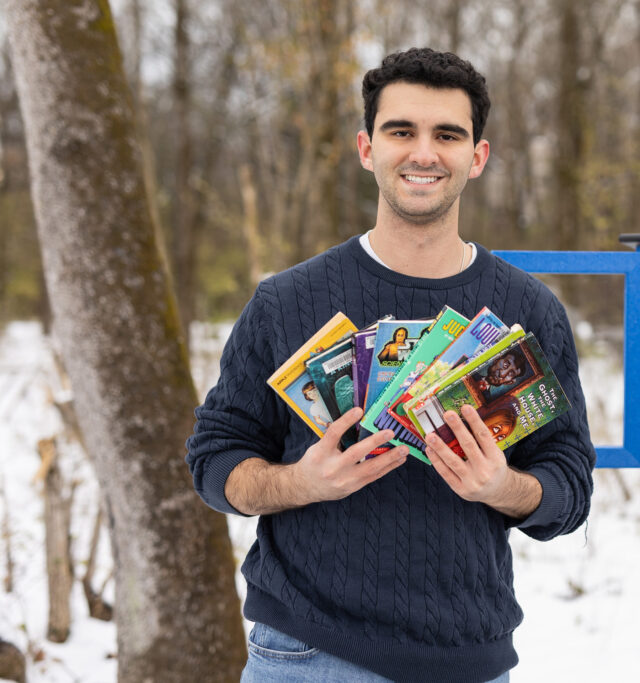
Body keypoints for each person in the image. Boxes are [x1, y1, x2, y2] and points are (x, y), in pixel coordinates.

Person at [185, 47, 596, 683]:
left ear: (477, 157)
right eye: (401, 131)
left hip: (468, 658)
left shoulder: (528, 311)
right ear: (366, 148)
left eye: (448, 135)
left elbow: (570, 486)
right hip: (306, 654)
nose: (424, 153)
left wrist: (503, 488)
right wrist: (301, 483)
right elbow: (214, 462)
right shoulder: (287, 302)